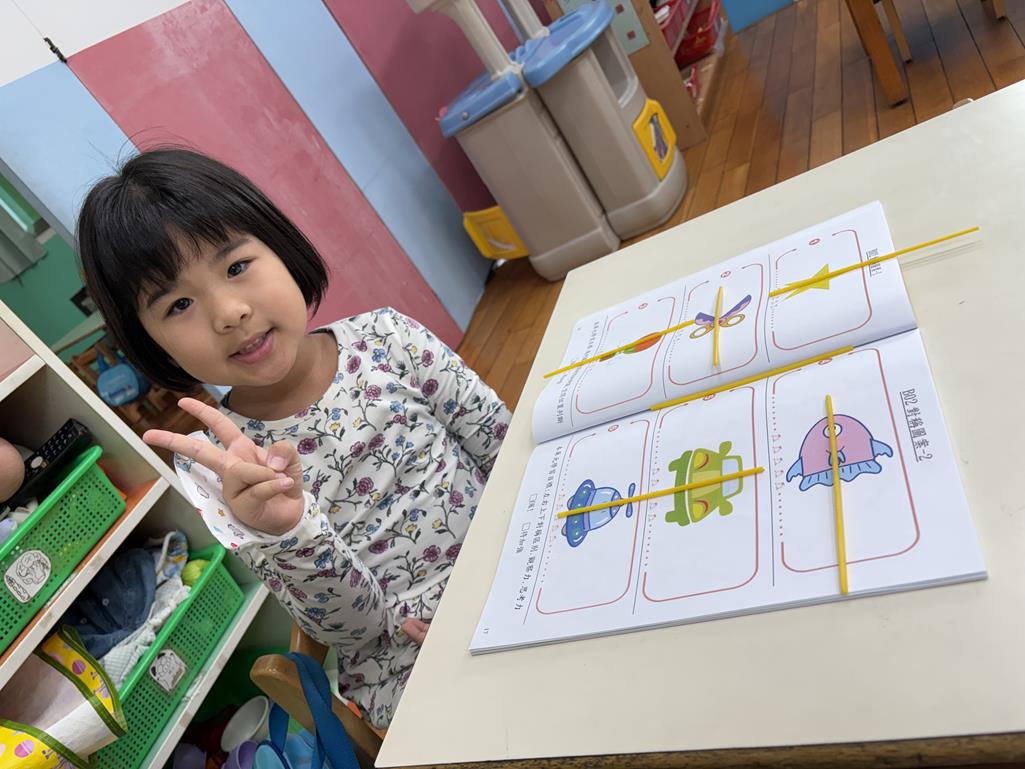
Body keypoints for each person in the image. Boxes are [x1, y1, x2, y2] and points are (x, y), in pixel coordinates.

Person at [76, 148, 511, 728]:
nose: (229, 312)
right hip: (412, 658)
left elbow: (504, 448)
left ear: (281, 247)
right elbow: (353, 632)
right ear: (152, 344)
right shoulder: (226, 473)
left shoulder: (389, 338)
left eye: (236, 267)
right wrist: (290, 530)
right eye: (178, 304)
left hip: (517, 555)